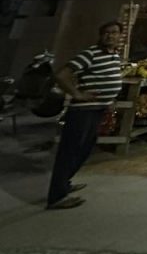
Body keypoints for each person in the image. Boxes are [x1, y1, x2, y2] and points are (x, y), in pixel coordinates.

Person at [47, 21, 125, 210]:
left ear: (120, 36)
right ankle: (56, 196)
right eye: (106, 33)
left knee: (84, 149)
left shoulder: (115, 56)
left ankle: (65, 182)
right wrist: (77, 94)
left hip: (98, 109)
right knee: (70, 150)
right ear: (100, 36)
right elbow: (61, 74)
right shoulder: (90, 54)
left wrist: (109, 99)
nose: (110, 36)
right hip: (83, 110)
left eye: (114, 33)